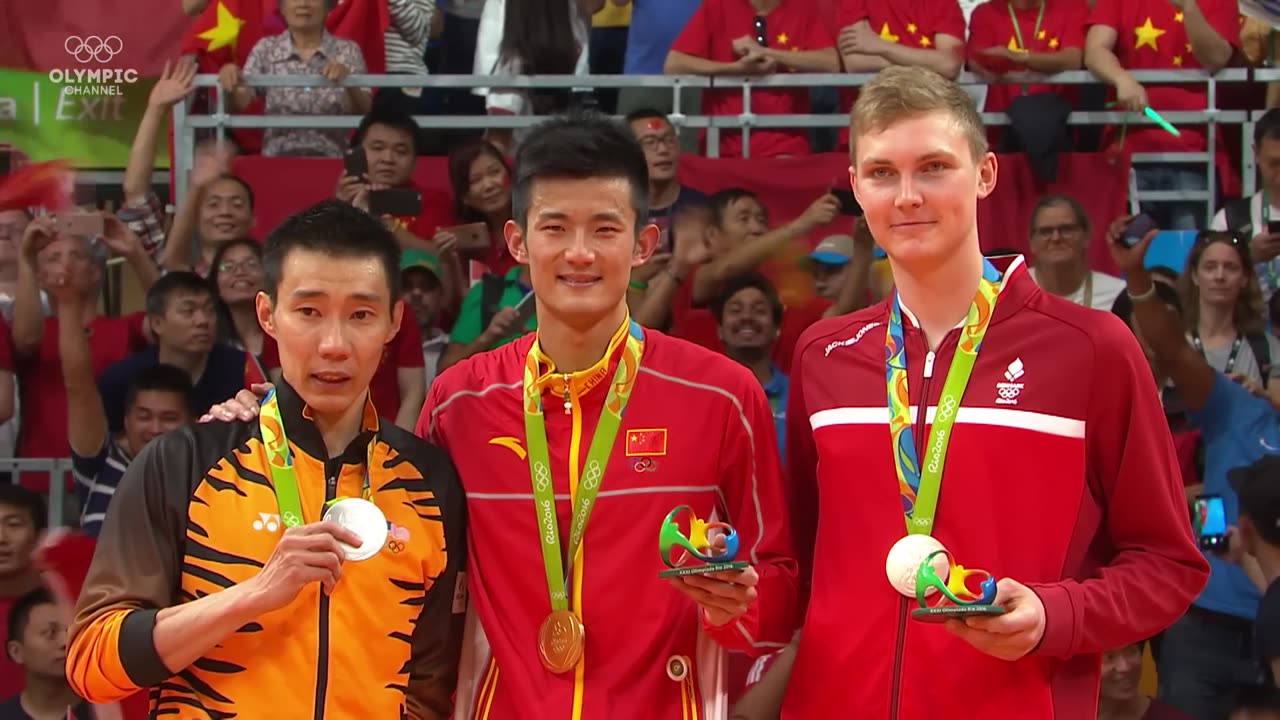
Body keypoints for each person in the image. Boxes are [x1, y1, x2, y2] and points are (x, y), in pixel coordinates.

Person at [204, 113, 798, 718]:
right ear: (517, 242)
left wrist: (737, 603)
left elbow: (781, 590)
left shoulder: (723, 395)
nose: (580, 253)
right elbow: (397, 542)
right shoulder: (459, 401)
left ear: (644, 245)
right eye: (555, 227)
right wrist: (267, 420)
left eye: (605, 229)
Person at [782, 65, 1208, 718]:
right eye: (881, 173)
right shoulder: (823, 354)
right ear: (855, 190)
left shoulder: (1091, 349)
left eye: (933, 167)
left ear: (984, 174)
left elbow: (1168, 565)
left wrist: (1055, 614)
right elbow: (803, 568)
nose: (906, 197)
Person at [65, 201, 468, 718]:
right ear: (266, 314)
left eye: (361, 315)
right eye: (309, 311)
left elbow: (430, 690)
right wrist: (254, 593)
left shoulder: (429, 482)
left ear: (394, 323)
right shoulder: (184, 462)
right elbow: (91, 663)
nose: (334, 344)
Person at [0, 588, 92, 719]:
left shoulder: (106, 712)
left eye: (71, 631)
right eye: (51, 633)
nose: (66, 642)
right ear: (16, 652)